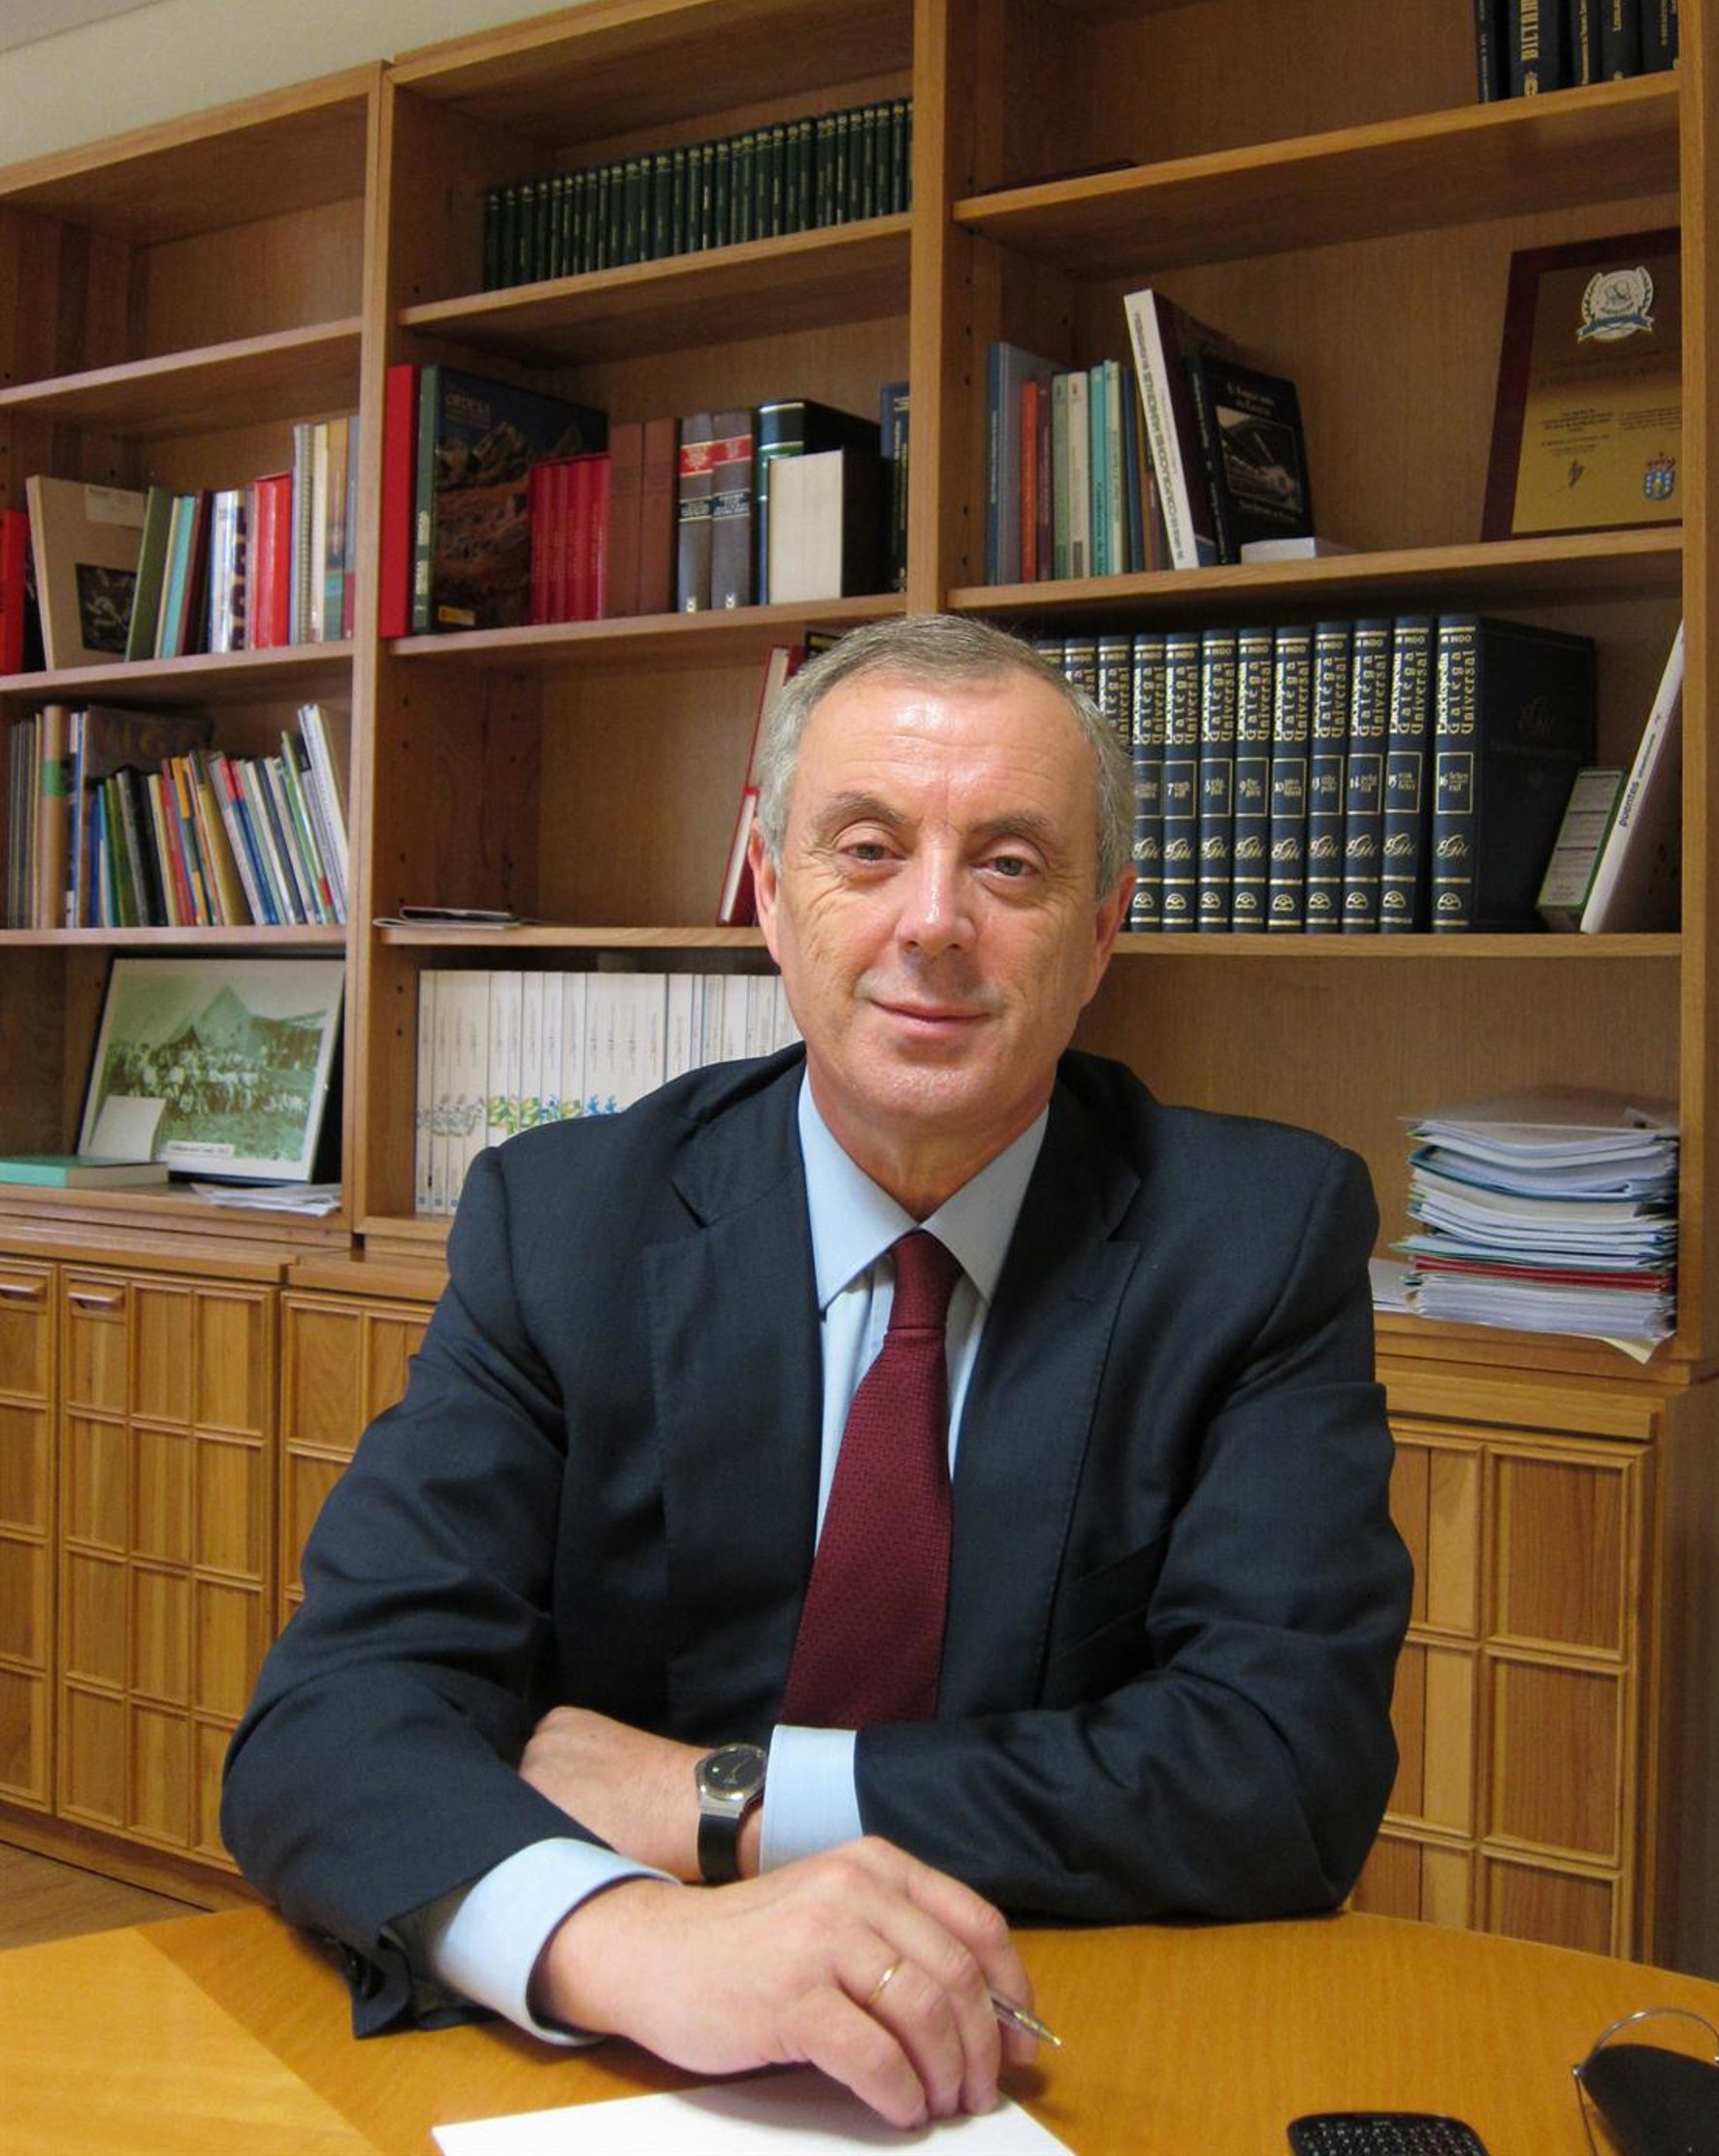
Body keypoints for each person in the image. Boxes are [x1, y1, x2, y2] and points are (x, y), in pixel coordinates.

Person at [221, 614, 1410, 2131]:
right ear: (774, 898)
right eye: (867, 850)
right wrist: (626, 1939)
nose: (934, 922)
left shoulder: (1256, 1240)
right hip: (621, 2069)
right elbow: (334, 1719)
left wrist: (719, 1806)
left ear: (1103, 930)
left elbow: (1284, 1768)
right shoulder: (568, 1224)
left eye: (1011, 865)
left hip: (1066, 2039)